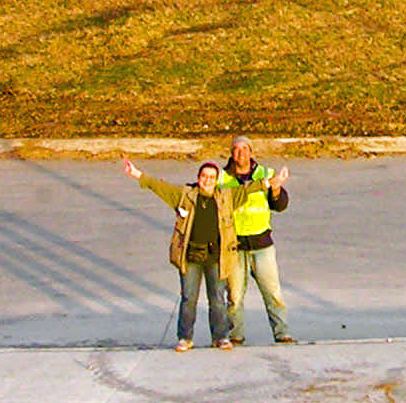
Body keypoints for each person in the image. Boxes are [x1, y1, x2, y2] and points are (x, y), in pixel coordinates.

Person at [122, 156, 237, 349]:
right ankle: (185, 338)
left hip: (216, 257)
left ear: (216, 180)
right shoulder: (185, 195)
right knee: (188, 299)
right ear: (198, 177)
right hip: (190, 256)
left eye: (211, 177)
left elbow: (246, 191)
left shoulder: (225, 197)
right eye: (204, 176)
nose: (207, 180)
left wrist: (269, 183)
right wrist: (137, 174)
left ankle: (221, 336)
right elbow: (160, 187)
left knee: (218, 299)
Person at [223, 136, 297, 344]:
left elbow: (280, 205)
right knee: (235, 297)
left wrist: (276, 189)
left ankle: (282, 333)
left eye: (244, 149)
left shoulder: (265, 174)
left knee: (273, 293)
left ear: (251, 152)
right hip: (234, 246)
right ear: (231, 154)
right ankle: (235, 336)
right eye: (236, 150)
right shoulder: (222, 177)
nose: (240, 154)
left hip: (262, 245)